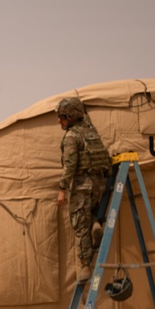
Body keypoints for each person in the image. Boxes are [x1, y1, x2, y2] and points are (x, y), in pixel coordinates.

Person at [56, 96, 112, 282]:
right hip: (98, 185)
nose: (59, 121)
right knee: (90, 214)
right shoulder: (91, 132)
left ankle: (85, 267)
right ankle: (95, 224)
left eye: (62, 117)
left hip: (82, 186)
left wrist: (62, 189)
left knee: (80, 226)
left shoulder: (72, 137)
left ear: (71, 117)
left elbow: (70, 165)